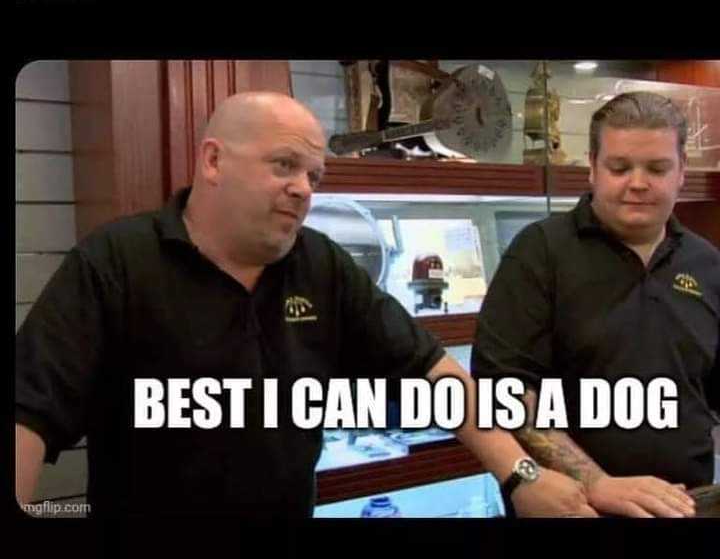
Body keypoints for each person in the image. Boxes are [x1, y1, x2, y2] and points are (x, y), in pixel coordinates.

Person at [16, 91, 596, 520]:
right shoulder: (117, 261)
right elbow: (28, 411)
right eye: (284, 166)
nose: (304, 189)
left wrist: (520, 475)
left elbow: (434, 373)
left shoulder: (320, 263)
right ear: (213, 161)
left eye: (314, 174)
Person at [472, 91, 718, 518]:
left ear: (682, 173)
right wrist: (596, 483)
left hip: (688, 503)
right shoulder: (541, 251)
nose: (637, 182)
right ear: (592, 168)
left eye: (657, 168)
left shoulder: (707, 263)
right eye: (619, 167)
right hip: (573, 508)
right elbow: (504, 392)